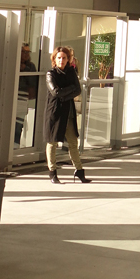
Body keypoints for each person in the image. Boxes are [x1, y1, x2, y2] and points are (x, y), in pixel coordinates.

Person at [44, 46, 90, 184]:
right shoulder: (50, 74)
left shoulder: (71, 72)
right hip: (54, 111)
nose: (61, 60)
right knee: (52, 141)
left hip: (68, 112)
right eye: (59, 58)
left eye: (64, 58)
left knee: (73, 142)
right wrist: (69, 90)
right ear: (54, 59)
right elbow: (55, 93)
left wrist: (65, 92)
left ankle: (79, 170)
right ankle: (52, 172)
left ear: (68, 59)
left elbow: (78, 90)